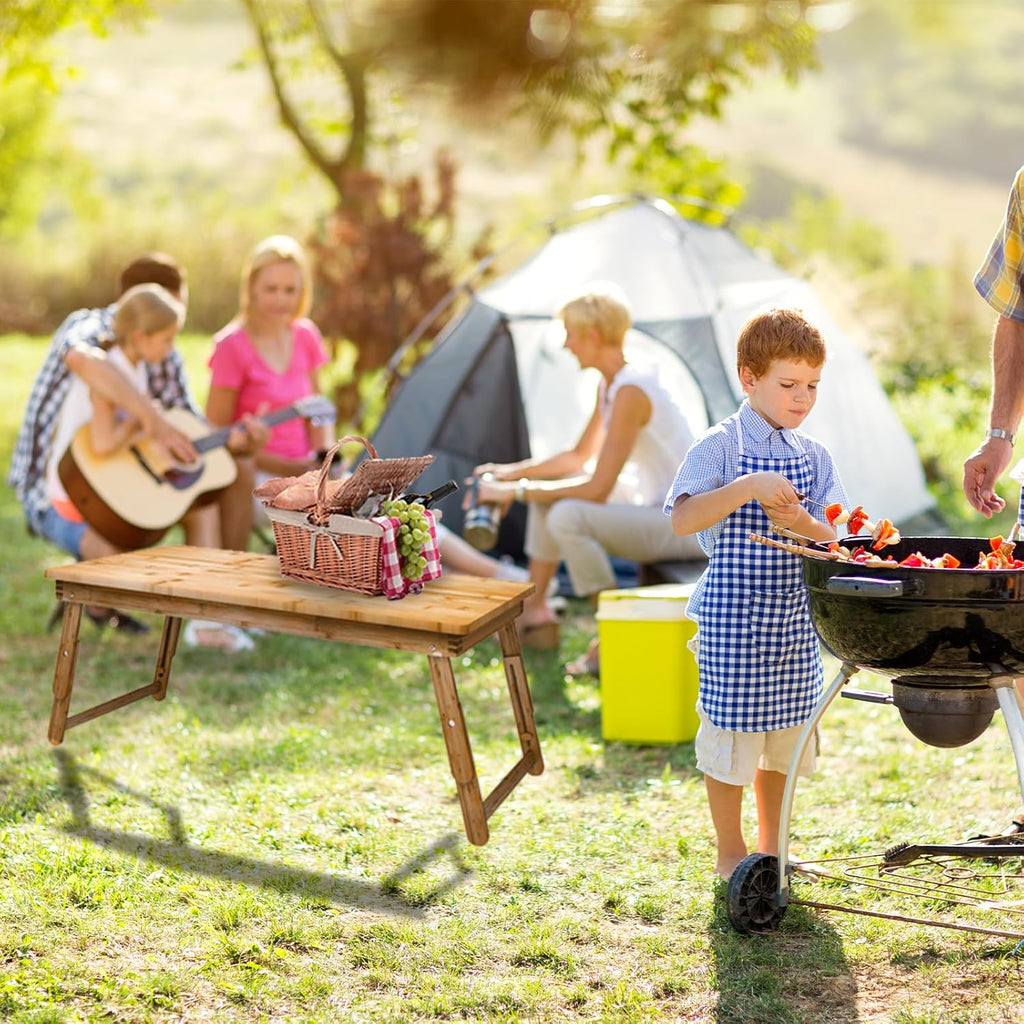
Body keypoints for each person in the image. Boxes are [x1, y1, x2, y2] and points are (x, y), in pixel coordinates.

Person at [665, 307, 848, 881]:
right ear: (749, 378)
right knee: (732, 741)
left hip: (793, 621)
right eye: (789, 385)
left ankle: (773, 848)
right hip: (733, 622)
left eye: (812, 386)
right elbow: (682, 519)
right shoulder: (720, 445)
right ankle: (731, 851)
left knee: (784, 740)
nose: (802, 398)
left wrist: (802, 524)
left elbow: (839, 537)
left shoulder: (815, 456)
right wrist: (747, 487)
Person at [9, 252, 266, 645]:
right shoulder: (99, 346)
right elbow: (103, 429)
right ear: (142, 323)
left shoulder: (147, 360)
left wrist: (229, 440)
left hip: (121, 483)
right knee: (121, 565)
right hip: (65, 492)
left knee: (207, 498)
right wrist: (147, 419)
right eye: (167, 331)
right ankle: (118, 600)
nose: (173, 344)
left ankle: (216, 613)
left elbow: (186, 425)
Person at [468, 281, 705, 661]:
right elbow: (577, 456)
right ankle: (537, 608)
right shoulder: (613, 384)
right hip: (654, 505)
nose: (567, 345)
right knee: (553, 498)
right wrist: (510, 474)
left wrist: (514, 492)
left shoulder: (631, 392)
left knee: (567, 515)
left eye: (570, 335)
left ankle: (614, 633)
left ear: (592, 336)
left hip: (686, 524)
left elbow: (597, 488)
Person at [206, 234, 336, 550]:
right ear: (252, 287)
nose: (281, 299)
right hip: (255, 474)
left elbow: (320, 414)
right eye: (271, 289)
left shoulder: (306, 335)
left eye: (290, 290)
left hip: (307, 471)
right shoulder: (231, 346)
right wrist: (292, 470)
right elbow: (215, 432)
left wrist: (325, 460)